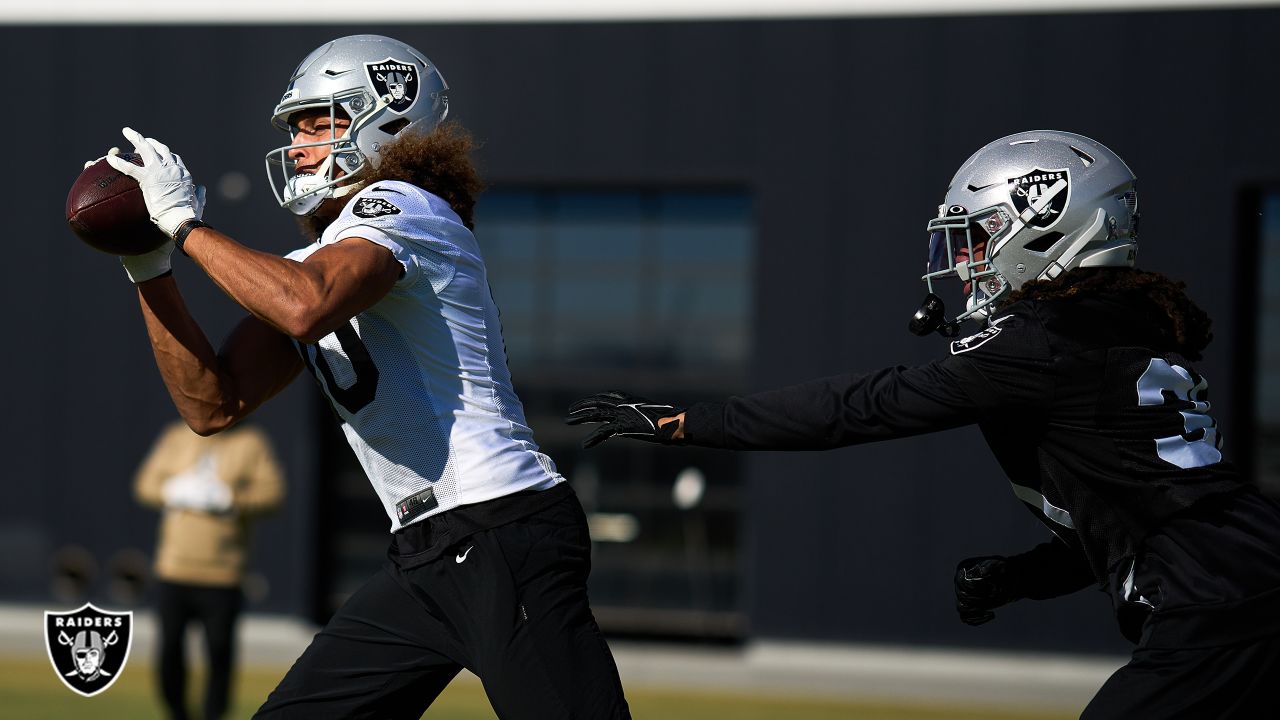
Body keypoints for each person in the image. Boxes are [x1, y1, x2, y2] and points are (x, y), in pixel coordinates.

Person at [568, 130, 1280, 718]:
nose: (965, 262)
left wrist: (688, 422)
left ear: (1049, 224)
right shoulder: (1121, 335)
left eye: (979, 237)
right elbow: (1139, 516)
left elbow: (865, 406)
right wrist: (1019, 577)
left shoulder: (1045, 345)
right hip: (1246, 581)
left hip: (1217, 607)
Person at [104, 34, 629, 719]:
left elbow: (303, 306)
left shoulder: (405, 207)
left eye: (320, 122)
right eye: (296, 128)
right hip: (426, 554)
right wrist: (148, 266)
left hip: (503, 528)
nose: (300, 145)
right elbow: (213, 404)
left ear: (390, 120)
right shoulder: (318, 254)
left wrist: (184, 224)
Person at [134, 420, 285, 720]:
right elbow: (145, 485)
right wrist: (172, 490)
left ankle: (214, 715)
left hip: (223, 573)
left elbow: (272, 494)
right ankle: (177, 712)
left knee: (219, 652)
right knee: (170, 650)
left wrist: (232, 500)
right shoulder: (176, 436)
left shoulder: (250, 442)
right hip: (174, 569)